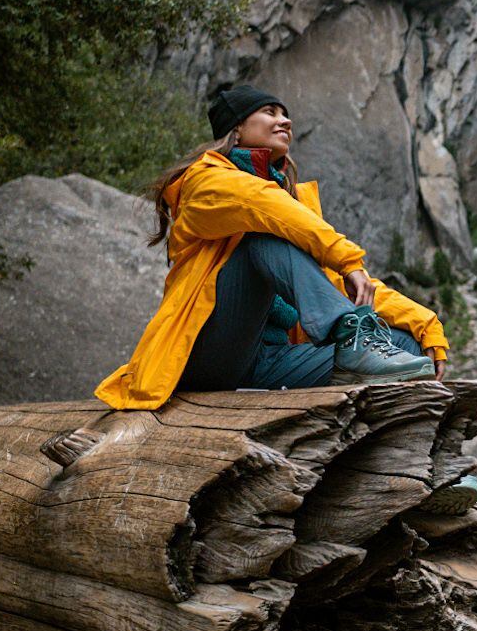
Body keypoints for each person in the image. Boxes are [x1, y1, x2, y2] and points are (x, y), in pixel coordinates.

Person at [96, 84, 448, 406]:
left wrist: (425, 323)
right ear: (236, 128)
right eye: (270, 112)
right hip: (206, 355)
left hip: (267, 363)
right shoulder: (204, 183)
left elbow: (338, 286)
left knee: (404, 350)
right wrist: (348, 259)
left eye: (284, 113)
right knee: (261, 237)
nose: (285, 120)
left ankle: (427, 463)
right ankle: (348, 337)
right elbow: (260, 204)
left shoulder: (287, 204)